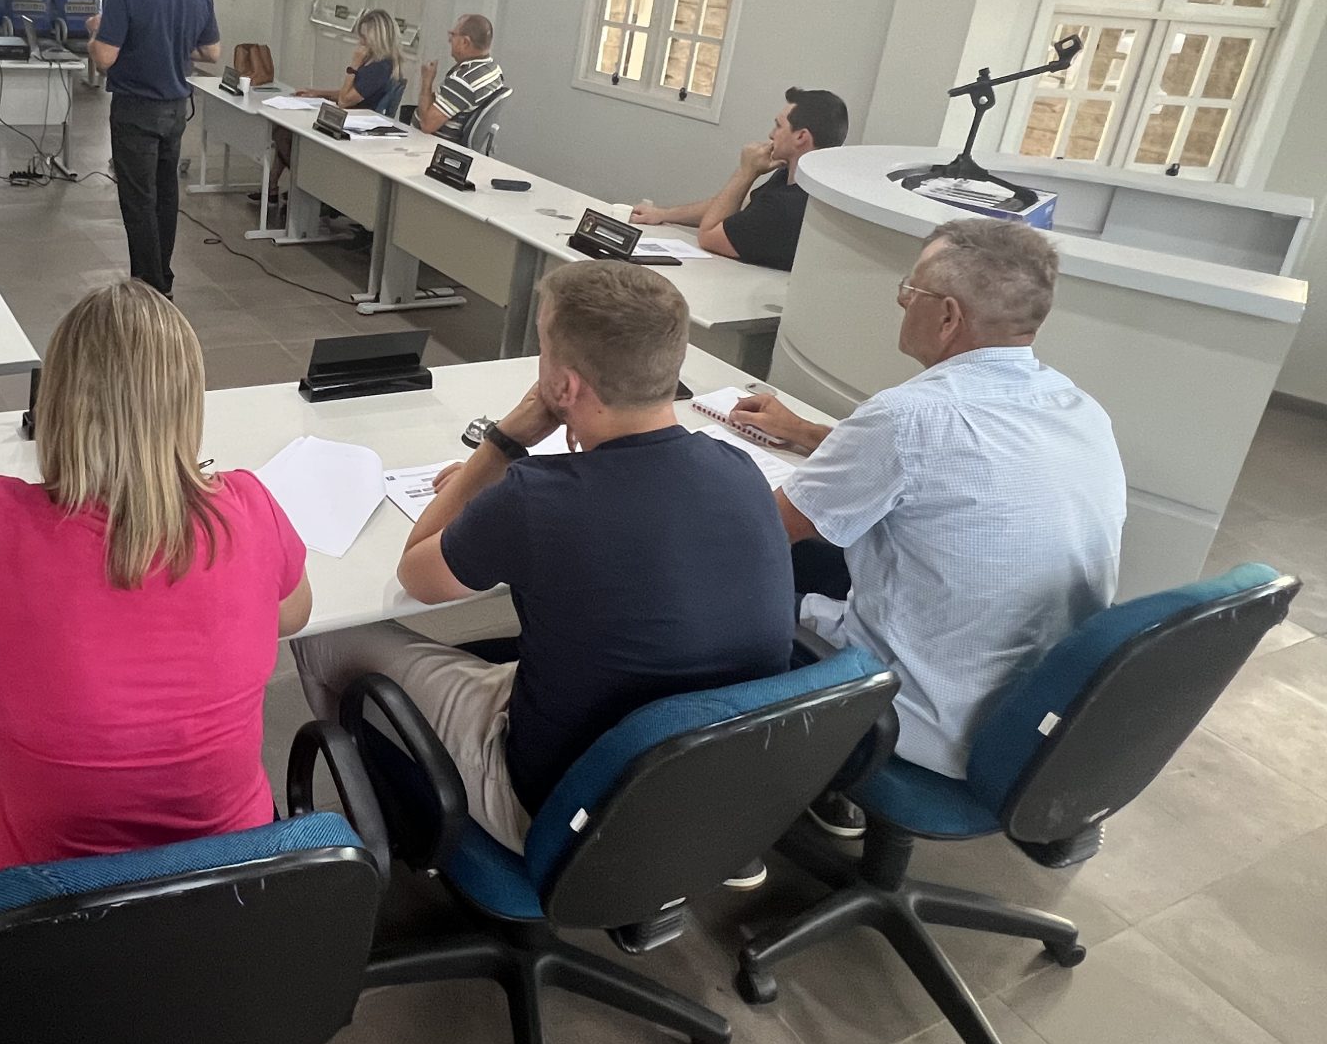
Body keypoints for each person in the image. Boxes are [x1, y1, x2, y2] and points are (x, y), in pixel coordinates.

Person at [292, 261, 794, 855]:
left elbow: (416, 575)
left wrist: (501, 444)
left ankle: (385, 829)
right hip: (709, 782)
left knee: (322, 636)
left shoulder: (537, 498)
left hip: (566, 809)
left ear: (565, 387)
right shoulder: (738, 469)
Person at [0, 280, 312, 901]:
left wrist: (16, 658)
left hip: (36, 908)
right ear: (187, 406)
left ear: (55, 404)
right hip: (227, 891)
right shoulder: (248, 506)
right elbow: (293, 615)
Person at [730, 217, 1125, 831]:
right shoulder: (1080, 409)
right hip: (1032, 723)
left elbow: (760, 537)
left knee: (719, 580)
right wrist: (804, 433)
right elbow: (943, 472)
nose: (900, 303)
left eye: (908, 290)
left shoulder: (908, 417)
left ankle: (730, 809)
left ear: (946, 316)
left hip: (915, 719)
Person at [88, 0, 222, 297]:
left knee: (138, 200)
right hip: (175, 109)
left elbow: (105, 58)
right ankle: (163, 276)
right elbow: (211, 52)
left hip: (135, 109)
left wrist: (95, 31)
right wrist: (170, 45)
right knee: (165, 195)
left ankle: (150, 286)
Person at [628, 87, 848, 270]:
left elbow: (708, 236)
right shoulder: (788, 177)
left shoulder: (788, 205)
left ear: (801, 137)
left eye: (779, 126)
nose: (771, 134)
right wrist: (663, 214)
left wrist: (746, 172)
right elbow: (734, 206)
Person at [268, 7, 405, 217]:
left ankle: (310, 186)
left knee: (285, 135)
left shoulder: (380, 68)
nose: (360, 42)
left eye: (364, 38)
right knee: (285, 129)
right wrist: (317, 93)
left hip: (355, 123)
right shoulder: (376, 63)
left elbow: (344, 100)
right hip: (351, 116)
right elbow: (351, 93)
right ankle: (277, 186)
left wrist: (353, 66)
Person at [415, 13, 506, 144]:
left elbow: (426, 125)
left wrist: (427, 80)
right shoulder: (493, 69)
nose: (449, 40)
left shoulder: (464, 81)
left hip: (431, 144)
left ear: (465, 42)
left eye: (453, 35)